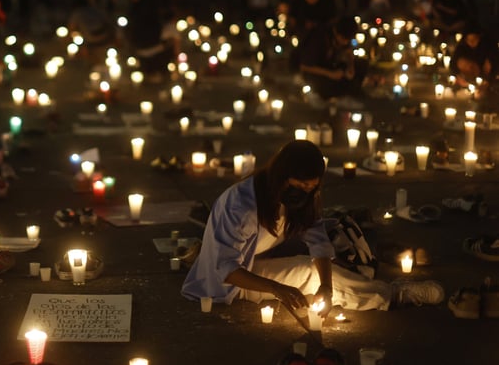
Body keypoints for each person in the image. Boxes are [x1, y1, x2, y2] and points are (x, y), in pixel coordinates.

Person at [181, 140, 444, 312]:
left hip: (262, 252)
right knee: (307, 272)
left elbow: (318, 241)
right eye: (297, 186)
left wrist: (326, 287)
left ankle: (348, 283)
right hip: (231, 280)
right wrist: (277, 288)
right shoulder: (242, 206)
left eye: (310, 188)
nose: (304, 194)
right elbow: (226, 270)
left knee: (335, 244)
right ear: (281, 177)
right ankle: (394, 294)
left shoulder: (303, 197)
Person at [299, 16, 368, 103]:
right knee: (326, 85)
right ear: (336, 31)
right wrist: (330, 74)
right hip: (316, 71)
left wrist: (351, 66)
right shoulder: (318, 38)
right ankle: (345, 90)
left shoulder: (345, 35)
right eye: (343, 39)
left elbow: (348, 51)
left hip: (332, 66)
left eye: (348, 40)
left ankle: (348, 89)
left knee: (362, 64)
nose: (345, 42)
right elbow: (304, 66)